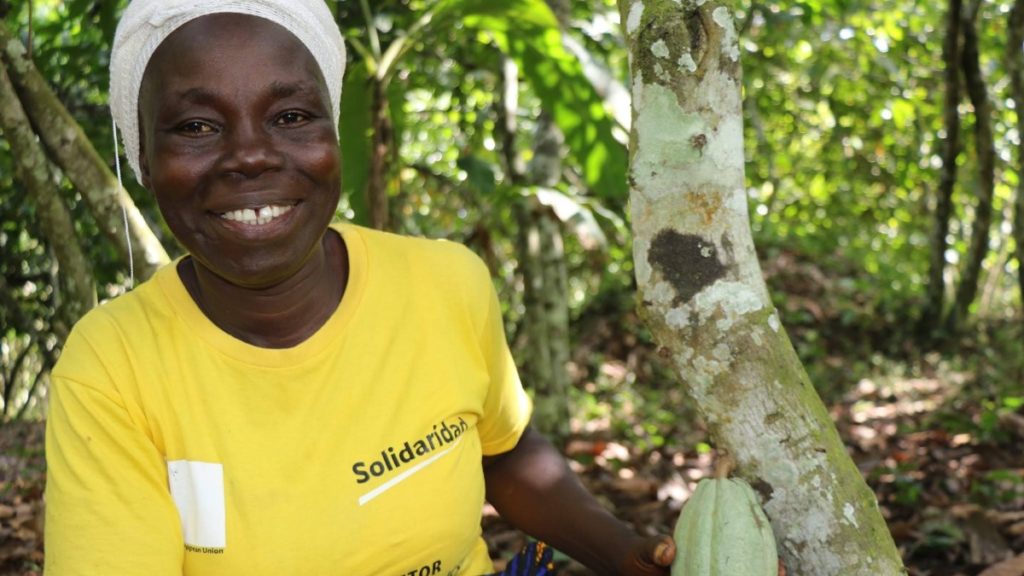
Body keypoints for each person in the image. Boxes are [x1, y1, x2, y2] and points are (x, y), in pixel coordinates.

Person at [43, 1, 676, 574]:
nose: (250, 156)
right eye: (197, 127)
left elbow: (504, 452)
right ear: (145, 161)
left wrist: (620, 553)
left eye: (290, 116)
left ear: (333, 137)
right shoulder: (112, 369)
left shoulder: (446, 283)